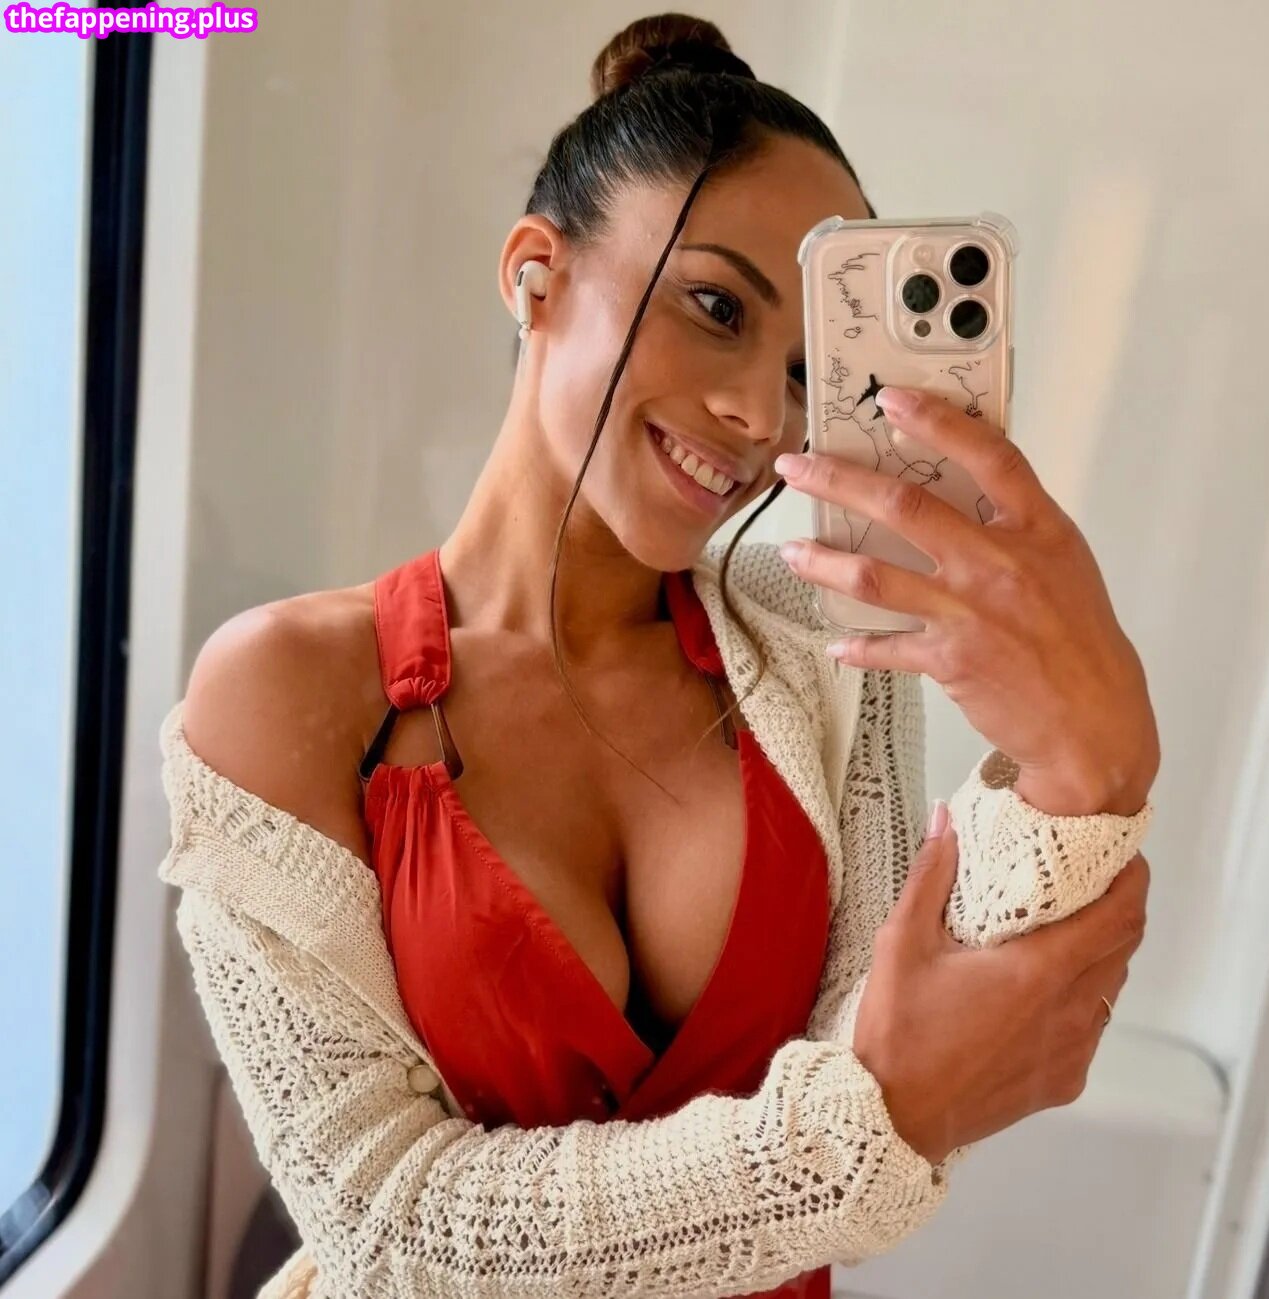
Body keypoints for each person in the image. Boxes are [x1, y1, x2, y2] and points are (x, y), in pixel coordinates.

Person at [159, 13, 1159, 1298]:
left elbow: (931, 1036)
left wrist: (1079, 768)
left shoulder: (809, 641)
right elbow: (386, 1225)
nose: (757, 413)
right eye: (715, 306)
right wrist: (867, 1128)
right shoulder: (293, 690)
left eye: (803, 373)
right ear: (536, 272)